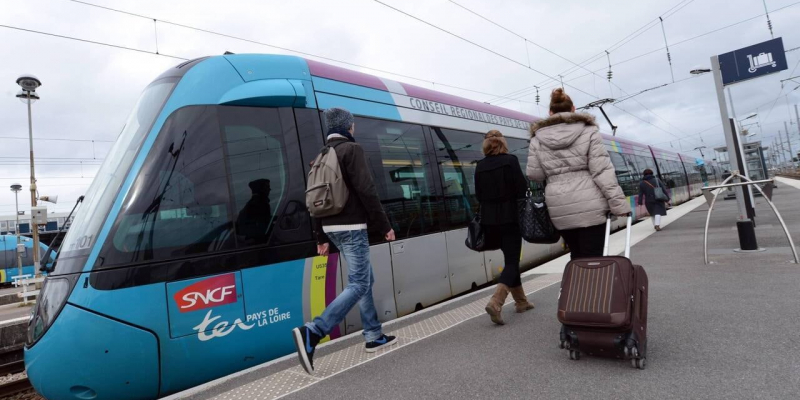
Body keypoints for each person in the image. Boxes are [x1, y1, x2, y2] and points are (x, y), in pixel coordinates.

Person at [292, 107, 397, 374]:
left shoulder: (320, 157)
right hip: (352, 227)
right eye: (353, 124)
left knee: (365, 280)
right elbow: (366, 190)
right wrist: (384, 225)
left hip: (332, 229)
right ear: (348, 126)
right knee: (360, 282)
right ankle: (314, 331)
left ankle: (373, 335)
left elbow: (313, 200)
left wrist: (321, 236)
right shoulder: (352, 150)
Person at [526, 88, 629, 259]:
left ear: (550, 112)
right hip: (591, 206)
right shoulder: (589, 132)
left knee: (577, 255)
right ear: (573, 109)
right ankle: (593, 286)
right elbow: (602, 171)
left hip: (559, 209)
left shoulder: (537, 139)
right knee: (595, 257)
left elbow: (534, 175)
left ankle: (575, 286)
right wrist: (619, 205)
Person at [475, 130, 534, 325]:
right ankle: (496, 302)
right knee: (511, 261)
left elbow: (478, 195)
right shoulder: (511, 160)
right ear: (502, 143)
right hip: (510, 219)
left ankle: (522, 302)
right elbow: (521, 189)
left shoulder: (480, 166)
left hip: (489, 222)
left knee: (510, 259)